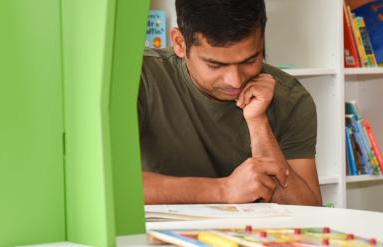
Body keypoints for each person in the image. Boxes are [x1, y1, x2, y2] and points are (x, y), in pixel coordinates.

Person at [138, 0, 322, 206]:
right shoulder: (139, 79)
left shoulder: (291, 98)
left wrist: (258, 123)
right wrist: (222, 190)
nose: (235, 80)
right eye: (215, 65)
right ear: (180, 43)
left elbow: (308, 213)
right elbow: (106, 184)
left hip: (250, 236)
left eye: (250, 60)